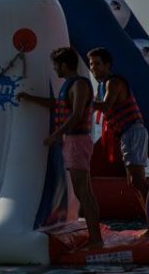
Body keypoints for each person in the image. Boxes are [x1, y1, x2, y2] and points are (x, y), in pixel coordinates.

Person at [17, 47, 103, 249]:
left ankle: (96, 240)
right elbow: (57, 104)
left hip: (78, 141)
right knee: (84, 192)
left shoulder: (80, 84)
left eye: (56, 65)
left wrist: (55, 136)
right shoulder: (68, 85)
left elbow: (76, 114)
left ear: (65, 65)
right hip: (73, 141)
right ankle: (95, 237)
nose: (55, 69)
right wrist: (30, 99)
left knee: (83, 193)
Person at [89, 46, 149, 232]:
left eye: (98, 64)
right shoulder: (102, 85)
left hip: (133, 131)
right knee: (133, 182)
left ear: (108, 65)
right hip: (126, 134)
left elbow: (106, 107)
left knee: (138, 181)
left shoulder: (112, 82)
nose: (93, 68)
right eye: (91, 64)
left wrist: (79, 101)